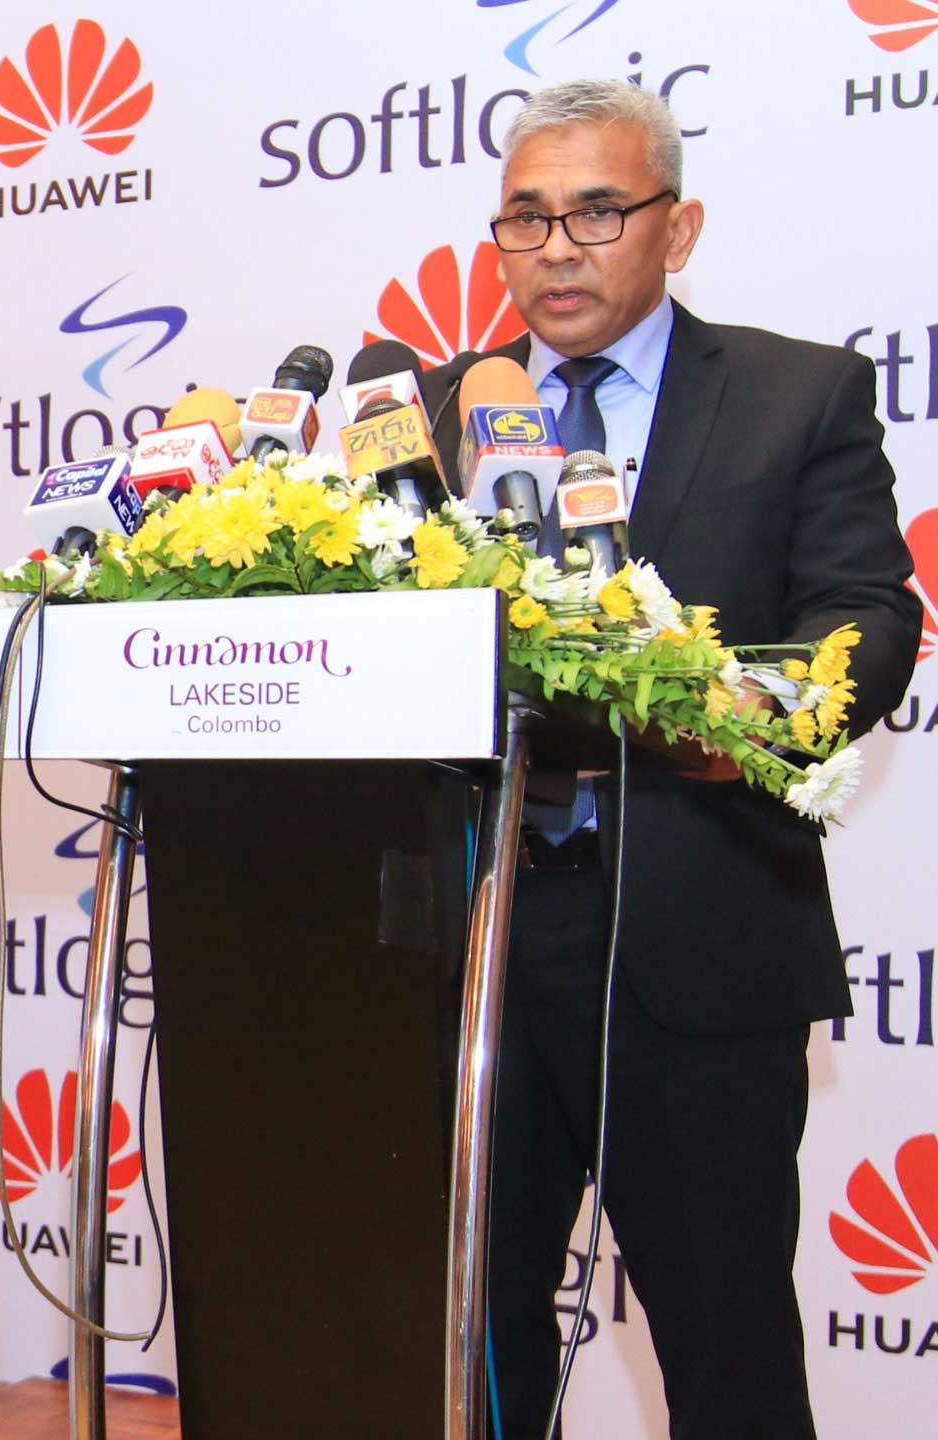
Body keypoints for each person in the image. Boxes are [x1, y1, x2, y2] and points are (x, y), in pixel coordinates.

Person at [425, 80, 920, 1438]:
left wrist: (752, 709)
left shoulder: (794, 393)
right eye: (526, 217)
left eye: (597, 211)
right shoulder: (432, 412)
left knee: (725, 1353)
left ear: (677, 228)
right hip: (471, 935)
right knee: (463, 1346)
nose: (557, 248)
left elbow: (866, 614)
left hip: (694, 934)